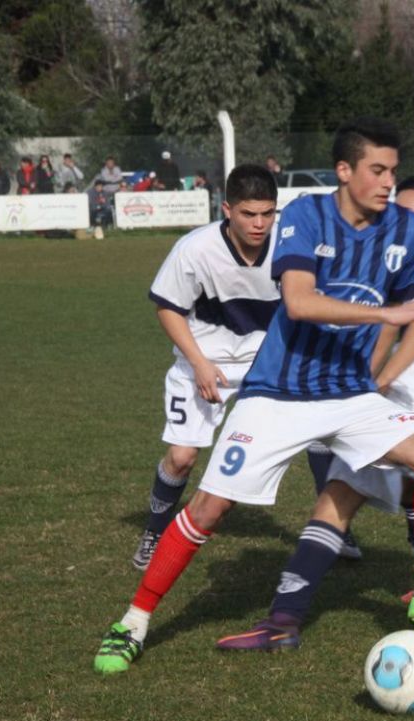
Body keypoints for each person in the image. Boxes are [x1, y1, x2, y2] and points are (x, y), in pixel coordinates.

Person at [93, 118, 414, 674]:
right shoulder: (306, 216)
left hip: (349, 391)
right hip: (278, 393)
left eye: (393, 171)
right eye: (376, 171)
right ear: (344, 171)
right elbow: (302, 303)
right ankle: (132, 623)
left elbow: (398, 309)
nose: (387, 182)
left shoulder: (405, 229)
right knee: (209, 508)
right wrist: (388, 313)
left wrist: (372, 374)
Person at [216, 175, 414, 651]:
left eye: (405, 212)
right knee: (371, 490)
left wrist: (377, 382)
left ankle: (285, 619)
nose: (392, 221)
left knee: (340, 495)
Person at [131, 164, 282, 570]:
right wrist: (198, 362)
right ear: (227, 209)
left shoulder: (286, 248)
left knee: (322, 434)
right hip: (202, 362)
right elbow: (167, 307)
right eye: (249, 214)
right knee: (181, 458)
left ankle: (335, 534)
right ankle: (155, 531)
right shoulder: (195, 249)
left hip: (262, 366)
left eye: (268, 213)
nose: (259, 224)